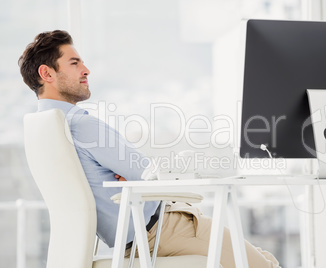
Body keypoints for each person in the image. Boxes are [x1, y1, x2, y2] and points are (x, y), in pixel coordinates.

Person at [19, 30, 281, 268]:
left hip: (130, 239)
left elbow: (134, 175)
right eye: (74, 63)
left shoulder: (46, 128)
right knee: (263, 266)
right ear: (47, 74)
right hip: (163, 229)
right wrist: (136, 175)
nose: (86, 70)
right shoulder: (81, 124)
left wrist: (128, 177)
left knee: (262, 257)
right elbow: (149, 174)